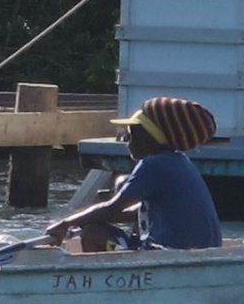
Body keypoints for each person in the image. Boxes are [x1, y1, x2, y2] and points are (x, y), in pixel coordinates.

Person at [45, 96, 222, 251]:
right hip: (195, 252)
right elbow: (140, 210)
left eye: (132, 134)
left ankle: (108, 285)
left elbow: (112, 209)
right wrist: (83, 219)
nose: (127, 141)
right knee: (93, 223)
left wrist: (65, 224)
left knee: (94, 232)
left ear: (153, 137)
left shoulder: (153, 164)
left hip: (166, 252)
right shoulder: (179, 162)